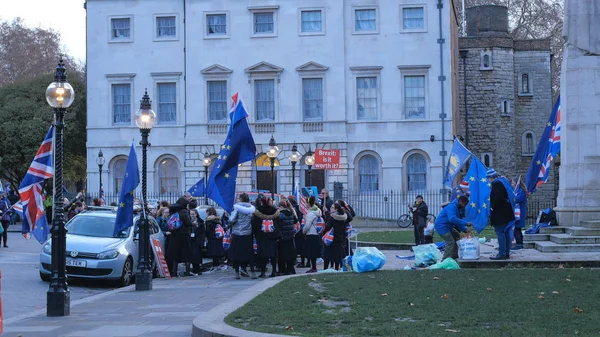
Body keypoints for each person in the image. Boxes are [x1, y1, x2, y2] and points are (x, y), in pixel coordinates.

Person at [487, 168, 516, 260]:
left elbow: (497, 198)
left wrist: (492, 206)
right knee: (506, 232)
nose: (488, 180)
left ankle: (502, 253)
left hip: (500, 214)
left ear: (492, 177)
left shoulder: (497, 184)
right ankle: (506, 252)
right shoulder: (503, 182)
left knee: (500, 232)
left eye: (488, 178)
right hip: (507, 212)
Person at [228, 193, 257, 279]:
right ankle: (252, 272)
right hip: (247, 233)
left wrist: (228, 219)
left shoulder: (237, 208)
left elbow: (232, 220)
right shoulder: (251, 208)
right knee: (249, 253)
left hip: (237, 233)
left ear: (240, 199)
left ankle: (237, 273)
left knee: (236, 254)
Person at [434, 196, 472, 260]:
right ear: (460, 201)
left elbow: (457, 222)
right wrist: (466, 223)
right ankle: (445, 260)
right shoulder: (452, 206)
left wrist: (465, 229)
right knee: (451, 242)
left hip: (448, 227)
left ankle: (454, 256)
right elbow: (452, 219)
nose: (464, 206)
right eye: (464, 204)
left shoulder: (457, 208)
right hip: (442, 226)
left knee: (457, 236)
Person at [252, 195, 281, 278]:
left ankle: (263, 271)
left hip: (262, 236)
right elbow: (279, 224)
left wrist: (255, 233)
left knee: (262, 255)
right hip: (272, 236)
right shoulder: (275, 211)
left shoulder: (258, 211)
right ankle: (274, 271)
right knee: (273, 255)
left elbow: (254, 224)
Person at [166, 197, 195, 277]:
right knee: (187, 254)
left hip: (174, 235)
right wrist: (193, 223)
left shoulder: (173, 210)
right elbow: (188, 223)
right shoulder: (184, 212)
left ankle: (174, 272)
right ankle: (187, 271)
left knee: (175, 254)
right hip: (183, 235)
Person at [323, 202, 350, 271]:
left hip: (331, 239)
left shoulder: (332, 218)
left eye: (332, 207)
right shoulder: (343, 218)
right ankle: (337, 269)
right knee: (337, 256)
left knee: (327, 256)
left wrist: (327, 216)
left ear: (336, 209)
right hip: (339, 239)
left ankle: (325, 268)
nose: (330, 208)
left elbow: (327, 227)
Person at [277, 199, 298, 275]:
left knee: (281, 255)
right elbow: (295, 221)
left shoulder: (280, 215)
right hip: (290, 236)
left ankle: (282, 270)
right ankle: (290, 269)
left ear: (281, 207)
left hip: (283, 237)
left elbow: (279, 225)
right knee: (289, 254)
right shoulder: (291, 213)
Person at [303, 196, 322, 273]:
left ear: (308, 203)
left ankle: (313, 267)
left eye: (306, 202)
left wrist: (303, 231)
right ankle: (313, 267)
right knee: (314, 252)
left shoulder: (311, 213)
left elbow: (307, 225)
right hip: (316, 233)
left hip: (311, 233)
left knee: (311, 252)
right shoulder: (317, 210)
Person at [205, 207, 225, 271]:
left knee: (213, 252)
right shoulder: (218, 219)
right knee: (217, 251)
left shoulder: (208, 220)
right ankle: (218, 264)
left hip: (211, 237)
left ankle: (215, 264)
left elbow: (207, 230)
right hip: (218, 237)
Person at [288, 195, 306, 268]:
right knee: (301, 248)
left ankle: (300, 262)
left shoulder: (294, 209)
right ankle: (302, 261)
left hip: (297, 230)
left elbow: (296, 219)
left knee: (298, 247)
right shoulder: (299, 208)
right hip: (300, 230)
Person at [512, 178, 528, 250]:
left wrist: (512, 197)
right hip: (518, 212)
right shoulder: (518, 190)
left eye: (513, 183)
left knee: (516, 229)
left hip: (519, 213)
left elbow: (517, 199)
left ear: (516, 183)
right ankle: (520, 243)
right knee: (517, 229)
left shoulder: (521, 191)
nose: (512, 184)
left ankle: (519, 244)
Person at [189, 204, 205, 275]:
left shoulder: (200, 222)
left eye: (193, 214)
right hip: (190, 240)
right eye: (191, 214)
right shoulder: (188, 221)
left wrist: (202, 241)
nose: (192, 215)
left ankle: (197, 268)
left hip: (197, 239)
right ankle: (193, 268)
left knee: (197, 255)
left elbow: (203, 232)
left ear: (196, 214)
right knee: (191, 255)